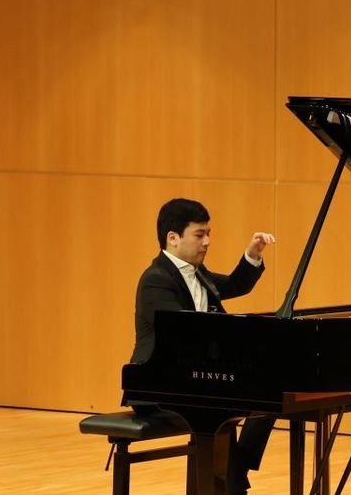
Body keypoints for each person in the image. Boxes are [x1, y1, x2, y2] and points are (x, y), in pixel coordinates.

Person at [129, 197, 276, 495]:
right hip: (159, 383)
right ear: (173, 239)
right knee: (220, 406)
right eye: (199, 234)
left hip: (191, 378)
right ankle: (231, 485)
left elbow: (236, 285)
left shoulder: (199, 274)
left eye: (209, 234)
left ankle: (235, 476)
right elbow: (182, 334)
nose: (207, 241)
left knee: (270, 397)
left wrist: (252, 254)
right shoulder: (155, 280)